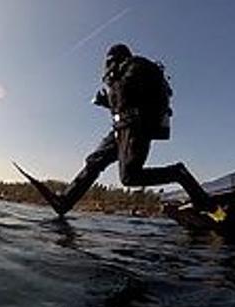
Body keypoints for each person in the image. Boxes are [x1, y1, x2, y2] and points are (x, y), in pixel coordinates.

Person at [16, 43, 211, 216]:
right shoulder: (125, 72)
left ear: (115, 58)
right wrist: (106, 102)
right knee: (95, 161)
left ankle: (182, 177)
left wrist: (108, 95)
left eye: (108, 62)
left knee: (130, 177)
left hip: (136, 127)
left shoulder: (135, 66)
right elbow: (126, 101)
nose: (107, 69)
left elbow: (126, 97)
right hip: (122, 126)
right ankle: (65, 201)